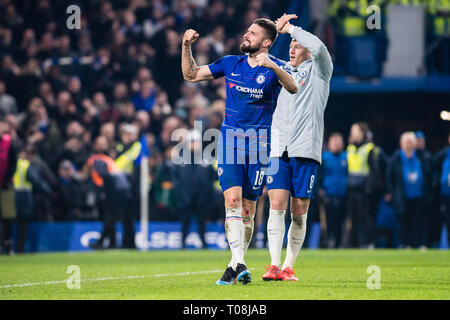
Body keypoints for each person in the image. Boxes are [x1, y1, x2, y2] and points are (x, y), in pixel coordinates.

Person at [181, 18, 298, 285]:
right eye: (247, 31)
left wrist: (273, 66)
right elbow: (191, 75)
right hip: (230, 141)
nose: (246, 35)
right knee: (231, 201)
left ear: (266, 43)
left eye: (253, 33)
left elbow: (293, 87)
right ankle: (241, 262)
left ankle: (233, 266)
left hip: (259, 145)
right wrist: (185, 46)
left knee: (248, 209)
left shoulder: (274, 67)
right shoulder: (230, 63)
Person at [262, 14, 333, 281]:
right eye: (290, 44)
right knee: (276, 205)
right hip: (279, 150)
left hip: (305, 149)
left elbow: (320, 48)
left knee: (299, 211)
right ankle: (273, 265)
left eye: (296, 44)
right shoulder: (283, 71)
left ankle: (289, 266)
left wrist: (290, 29)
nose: (292, 47)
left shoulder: (321, 70)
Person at [84, 136, 134, 249]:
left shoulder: (96, 159)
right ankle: (112, 243)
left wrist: (103, 192)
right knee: (114, 218)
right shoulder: (106, 159)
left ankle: (108, 243)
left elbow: (104, 176)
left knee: (111, 218)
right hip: (121, 190)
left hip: (113, 191)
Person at [386, 132, 427, 248]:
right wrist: (391, 192)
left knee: (417, 221)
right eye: (407, 142)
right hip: (402, 196)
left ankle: (418, 243)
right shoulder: (396, 158)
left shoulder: (421, 157)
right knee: (403, 222)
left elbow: (428, 173)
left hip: (418, 195)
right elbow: (389, 177)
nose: (409, 144)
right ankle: (403, 243)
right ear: (401, 143)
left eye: (411, 141)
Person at [344, 122, 381, 248]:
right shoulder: (350, 148)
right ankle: (354, 244)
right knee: (352, 218)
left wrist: (369, 187)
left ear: (362, 133)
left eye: (354, 131)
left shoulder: (369, 148)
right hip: (351, 188)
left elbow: (375, 170)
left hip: (364, 190)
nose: (351, 134)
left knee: (365, 217)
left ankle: (370, 242)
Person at [319, 133, 348, 248]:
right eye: (333, 142)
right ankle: (328, 240)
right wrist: (321, 189)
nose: (336, 144)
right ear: (329, 144)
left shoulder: (347, 156)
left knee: (342, 219)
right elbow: (319, 175)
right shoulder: (324, 157)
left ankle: (339, 241)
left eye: (338, 142)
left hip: (344, 194)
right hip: (329, 194)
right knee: (328, 220)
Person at [0, 119, 17, 254]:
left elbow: (13, 163)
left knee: (8, 215)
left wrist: (6, 181)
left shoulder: (8, 142)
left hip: (5, 185)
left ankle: (7, 243)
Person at [432, 131, 450, 246]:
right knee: (448, 221)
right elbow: (433, 168)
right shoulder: (443, 154)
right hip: (446, 194)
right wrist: (438, 182)